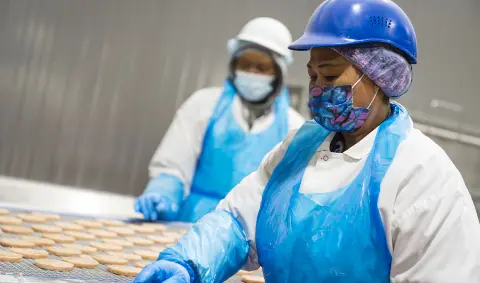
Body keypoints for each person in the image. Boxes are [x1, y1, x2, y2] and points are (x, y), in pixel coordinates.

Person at [134, 1, 480, 282]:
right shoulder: (298, 148)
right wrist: (189, 262)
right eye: (312, 75)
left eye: (329, 75)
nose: (317, 88)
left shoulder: (423, 177)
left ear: (380, 76)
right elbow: (238, 223)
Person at [134, 17, 305, 223]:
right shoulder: (203, 104)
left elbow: (292, 194)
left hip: (251, 236)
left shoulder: (294, 125)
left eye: (262, 67)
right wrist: (163, 192)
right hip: (191, 224)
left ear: (278, 73)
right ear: (234, 65)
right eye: (245, 64)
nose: (252, 72)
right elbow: (173, 166)